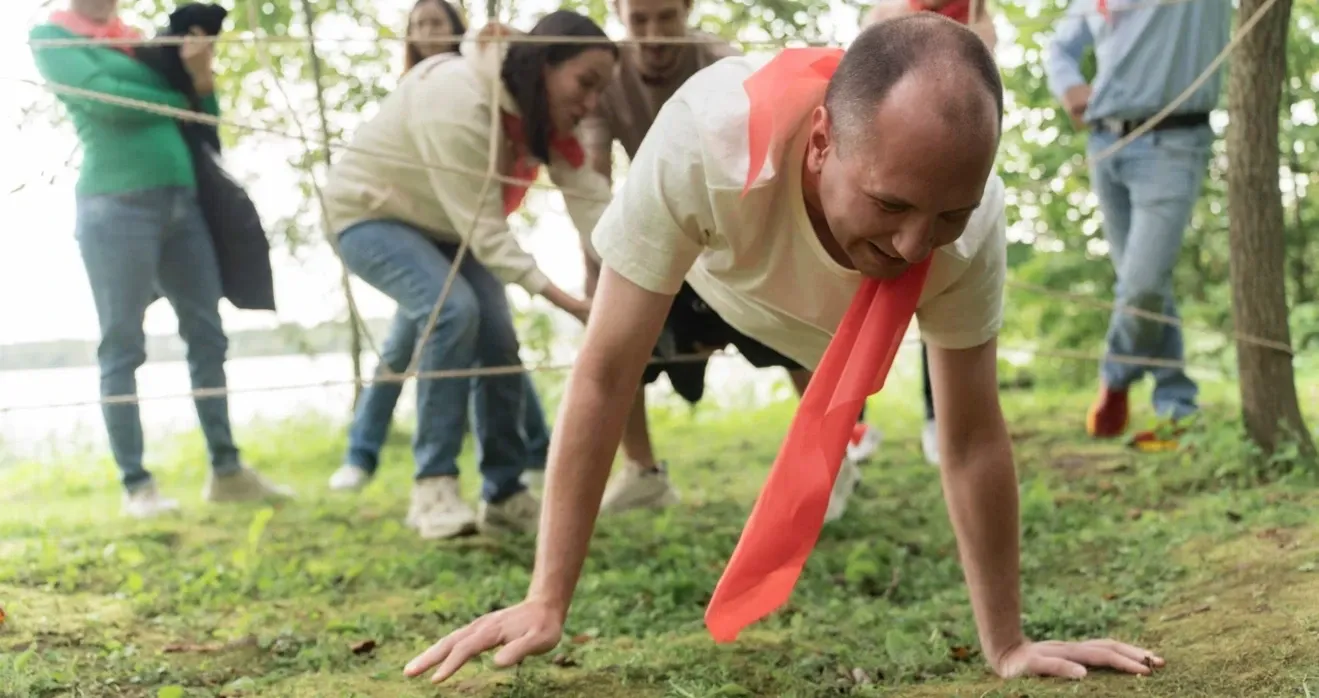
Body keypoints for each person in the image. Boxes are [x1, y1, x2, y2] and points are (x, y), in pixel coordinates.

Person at [402, 16, 1164, 684]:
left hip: (833, 325)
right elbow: (604, 373)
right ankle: (646, 477)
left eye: (946, 214)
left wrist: (1008, 643)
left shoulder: (962, 231)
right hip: (707, 279)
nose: (911, 243)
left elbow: (969, 437)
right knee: (632, 354)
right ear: (823, 142)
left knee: (910, 256)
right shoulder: (705, 137)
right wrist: (546, 597)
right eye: (892, 203)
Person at [577, 0, 881, 519]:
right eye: (639, 20)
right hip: (660, 232)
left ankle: (832, 455)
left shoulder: (722, 61)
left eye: (666, 17)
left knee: (792, 331)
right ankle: (643, 473)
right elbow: (592, 184)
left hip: (736, 231)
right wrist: (599, 269)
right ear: (617, 13)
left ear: (689, 9)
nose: (653, 33)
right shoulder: (605, 78)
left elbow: (769, 153)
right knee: (614, 341)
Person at [320, 10, 617, 540]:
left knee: (499, 337)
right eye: (586, 84)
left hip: (447, 228)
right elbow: (485, 231)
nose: (592, 103)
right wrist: (567, 300)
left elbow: (597, 207)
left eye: (601, 90)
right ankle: (433, 488)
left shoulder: (542, 118)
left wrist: (654, 272)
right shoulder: (458, 96)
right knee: (452, 309)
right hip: (369, 215)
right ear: (545, 65)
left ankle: (504, 491)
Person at [29, 0, 294, 519]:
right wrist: (180, 89)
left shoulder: (138, 39)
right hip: (114, 207)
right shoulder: (51, 35)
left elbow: (203, 119)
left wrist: (202, 76)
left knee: (207, 333)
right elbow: (109, 102)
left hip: (184, 202)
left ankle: (227, 470)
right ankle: (137, 485)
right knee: (122, 343)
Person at [327, 4, 552, 494]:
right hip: (397, 224)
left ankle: (515, 476)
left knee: (494, 333)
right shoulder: (435, 90)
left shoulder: (498, 98)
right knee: (439, 320)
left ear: (457, 31)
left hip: (454, 232)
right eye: (418, 25)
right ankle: (391, 465)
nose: (427, 32)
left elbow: (490, 202)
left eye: (436, 22)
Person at [1044, 0, 1230, 450]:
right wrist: (1070, 87)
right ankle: (1178, 409)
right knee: (1143, 286)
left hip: (1173, 141)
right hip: (1105, 144)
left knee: (1142, 284)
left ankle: (1115, 375)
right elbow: (1059, 47)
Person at [863, 0, 999, 467]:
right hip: (890, 177)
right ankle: (850, 421)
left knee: (939, 292)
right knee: (855, 296)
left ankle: (936, 416)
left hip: (945, 186)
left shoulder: (979, 18)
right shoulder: (885, 15)